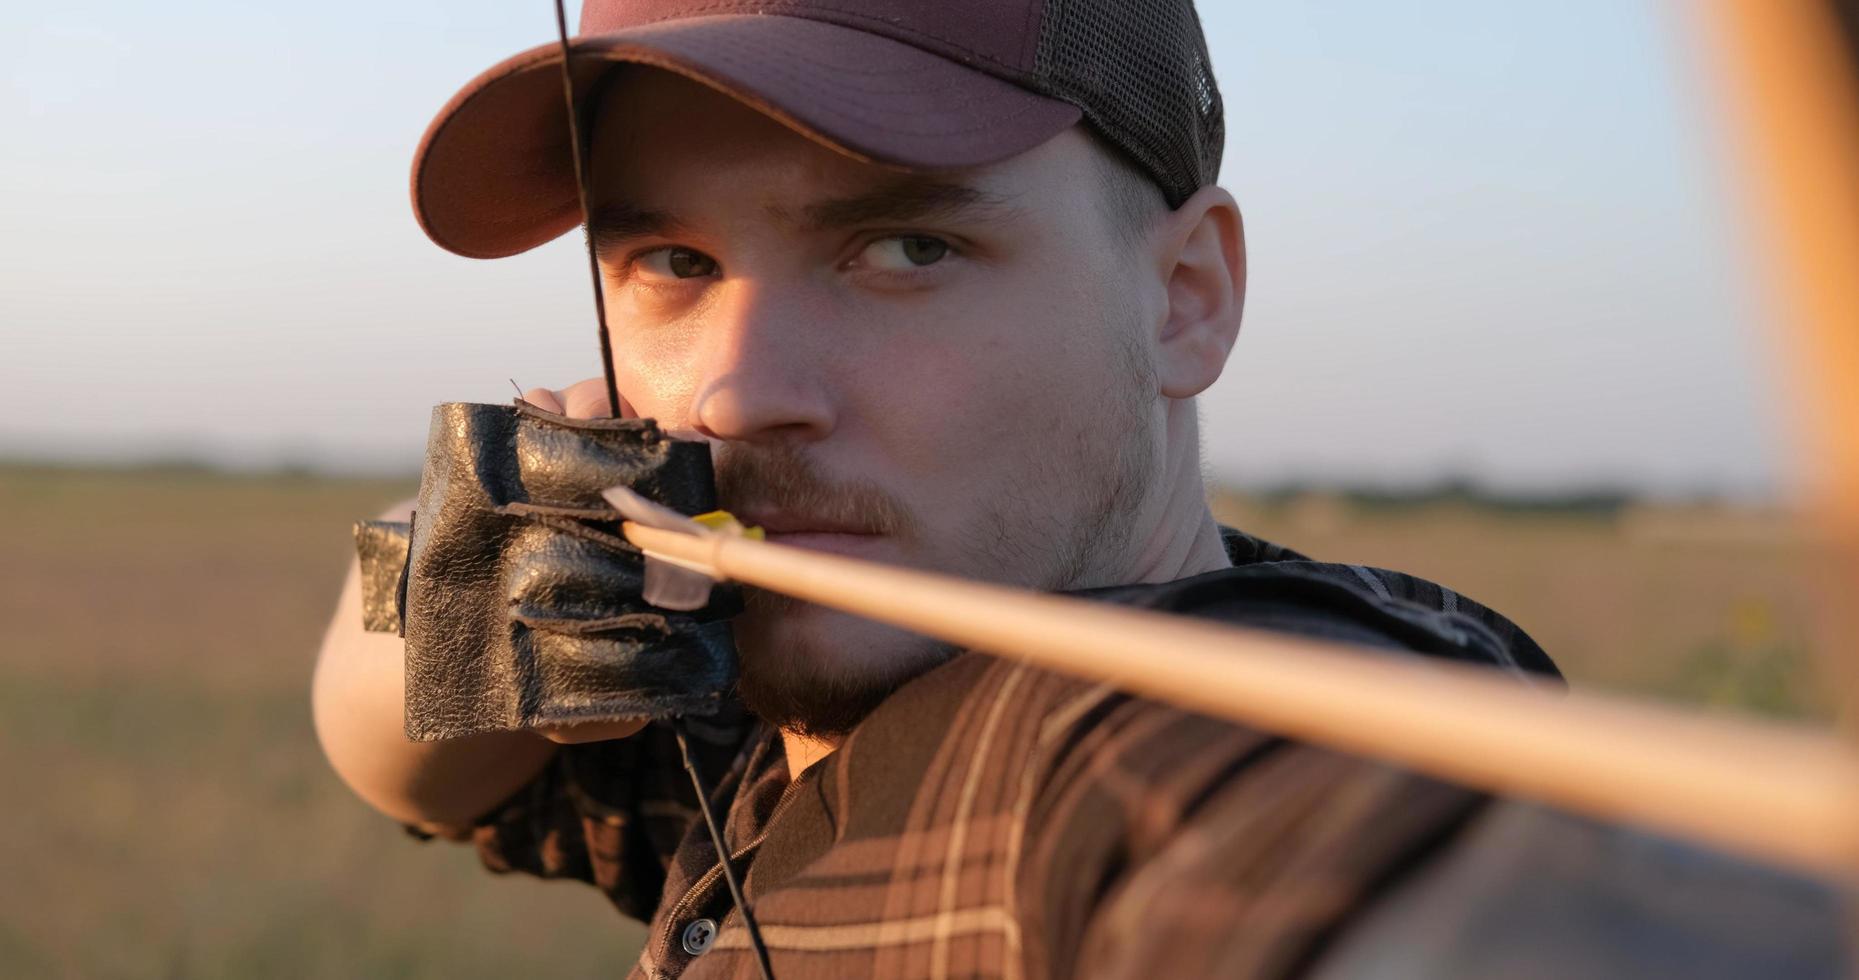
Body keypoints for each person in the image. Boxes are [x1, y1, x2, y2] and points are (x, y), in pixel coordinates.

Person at [312, 2, 1847, 976]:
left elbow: (1331, 853)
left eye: (907, 247)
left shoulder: (1172, 747)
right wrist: (453, 587)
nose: (734, 390)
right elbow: (417, 765)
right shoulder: (781, 711)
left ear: (1186, 296)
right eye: (673, 263)